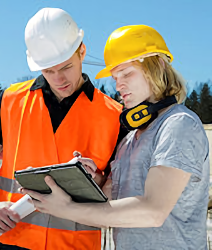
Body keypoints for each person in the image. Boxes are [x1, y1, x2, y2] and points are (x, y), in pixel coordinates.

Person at [22, 25, 210, 250]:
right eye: (115, 77)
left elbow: (153, 211)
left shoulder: (178, 124)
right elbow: (115, 200)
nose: (118, 85)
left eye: (127, 73)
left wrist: (66, 209)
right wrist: (96, 180)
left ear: (158, 66)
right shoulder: (130, 139)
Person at [0, 8, 125, 250]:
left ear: (82, 51)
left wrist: (97, 180)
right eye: (48, 70)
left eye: (66, 67)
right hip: (10, 242)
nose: (59, 79)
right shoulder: (11, 100)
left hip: (75, 246)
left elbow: (118, 188)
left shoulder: (114, 115)